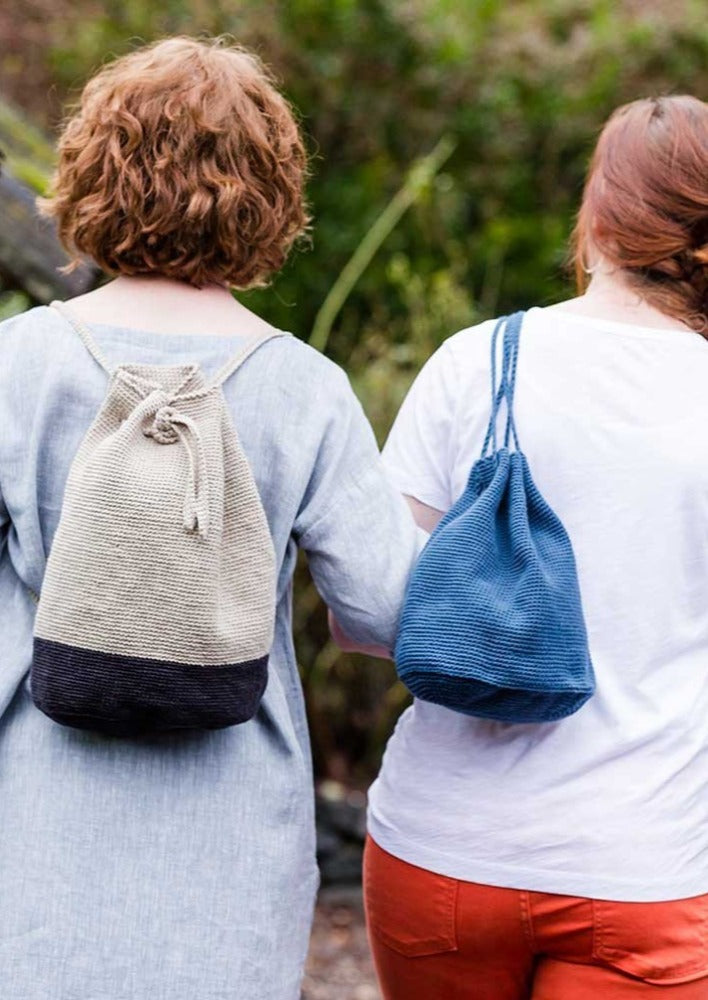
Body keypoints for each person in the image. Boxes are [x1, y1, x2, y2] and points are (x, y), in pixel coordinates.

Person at [0, 37, 419, 999]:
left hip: (34, 836)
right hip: (228, 849)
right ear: (266, 194)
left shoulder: (16, 364)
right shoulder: (305, 389)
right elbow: (389, 611)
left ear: (90, 173)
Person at [356, 96, 708, 998]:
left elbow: (366, 612)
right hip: (644, 864)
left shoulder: (476, 360)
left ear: (595, 216)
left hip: (442, 852)